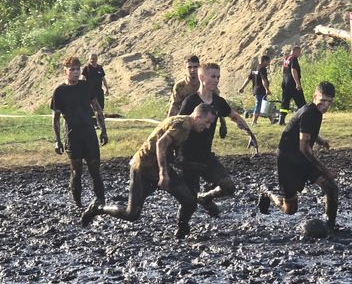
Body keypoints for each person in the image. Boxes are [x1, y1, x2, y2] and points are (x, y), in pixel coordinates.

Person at [81, 104, 217, 239]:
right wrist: (163, 173)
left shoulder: (185, 125)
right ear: (198, 116)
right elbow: (161, 144)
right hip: (143, 168)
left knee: (189, 201)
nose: (208, 127)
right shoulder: (182, 125)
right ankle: (98, 209)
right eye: (207, 122)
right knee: (131, 214)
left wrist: (187, 165)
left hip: (159, 167)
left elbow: (173, 151)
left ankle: (182, 231)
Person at [179, 62, 259, 218]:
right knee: (189, 201)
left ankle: (206, 197)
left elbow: (234, 116)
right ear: (202, 77)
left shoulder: (218, 102)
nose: (216, 80)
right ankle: (181, 230)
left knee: (228, 186)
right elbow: (178, 127)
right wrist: (173, 152)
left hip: (206, 155)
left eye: (218, 77)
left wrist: (250, 134)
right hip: (187, 157)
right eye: (212, 76)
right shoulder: (190, 102)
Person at [258, 81, 339, 230]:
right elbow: (305, 148)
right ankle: (267, 191)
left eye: (329, 102)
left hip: (303, 159)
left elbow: (305, 131)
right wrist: (325, 170)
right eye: (322, 101)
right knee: (290, 209)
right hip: (288, 160)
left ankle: (330, 225)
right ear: (314, 97)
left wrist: (320, 140)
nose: (326, 105)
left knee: (331, 188)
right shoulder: (309, 112)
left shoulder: (316, 112)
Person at [51, 56, 108, 208]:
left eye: (77, 69)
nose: (75, 72)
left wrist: (103, 130)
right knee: (76, 173)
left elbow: (97, 109)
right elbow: (56, 119)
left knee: (95, 171)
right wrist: (57, 140)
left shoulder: (86, 86)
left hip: (89, 134)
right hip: (72, 136)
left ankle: (101, 203)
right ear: (66, 71)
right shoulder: (60, 91)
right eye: (72, 70)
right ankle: (78, 205)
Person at [168, 55, 227, 138]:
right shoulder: (180, 86)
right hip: (186, 120)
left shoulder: (206, 84)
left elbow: (217, 104)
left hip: (203, 122)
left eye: (195, 67)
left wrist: (223, 123)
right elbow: (174, 106)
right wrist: (168, 125)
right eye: (189, 67)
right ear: (185, 68)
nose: (192, 70)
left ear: (199, 68)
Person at [238, 55, 272, 125]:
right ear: (264, 61)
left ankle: (272, 120)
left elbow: (248, 79)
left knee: (266, 105)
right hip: (261, 90)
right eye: (268, 61)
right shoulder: (262, 69)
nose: (268, 63)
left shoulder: (254, 69)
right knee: (259, 105)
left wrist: (242, 87)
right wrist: (267, 89)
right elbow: (264, 79)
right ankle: (254, 121)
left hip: (255, 90)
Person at [279, 45, 306, 126]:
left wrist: (284, 78)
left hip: (285, 83)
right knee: (301, 102)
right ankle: (303, 119)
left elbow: (283, 69)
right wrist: (297, 83)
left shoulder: (286, 58)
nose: (300, 54)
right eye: (299, 52)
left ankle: (281, 119)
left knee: (285, 102)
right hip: (292, 83)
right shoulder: (294, 59)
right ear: (295, 51)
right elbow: (293, 70)